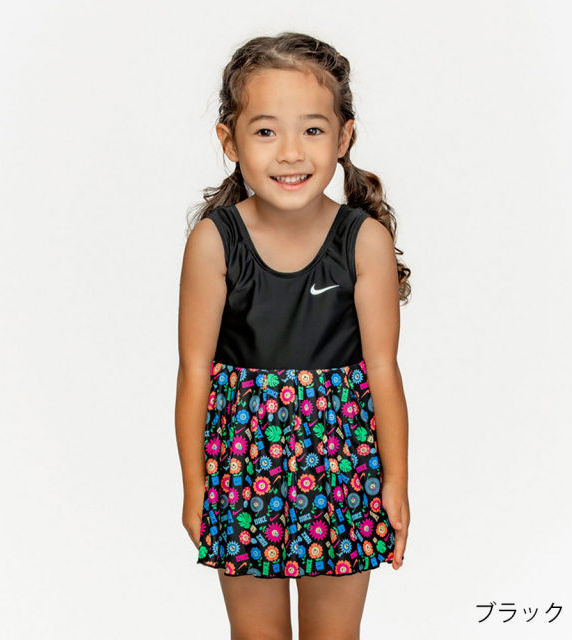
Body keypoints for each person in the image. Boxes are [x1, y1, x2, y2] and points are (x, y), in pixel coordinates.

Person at [175, 31, 411, 640]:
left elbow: (382, 370)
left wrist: (395, 482)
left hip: (344, 471)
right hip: (240, 470)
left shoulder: (364, 241)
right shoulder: (214, 241)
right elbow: (195, 370)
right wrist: (195, 486)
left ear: (344, 137)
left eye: (311, 129)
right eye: (265, 131)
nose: (289, 152)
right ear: (229, 140)